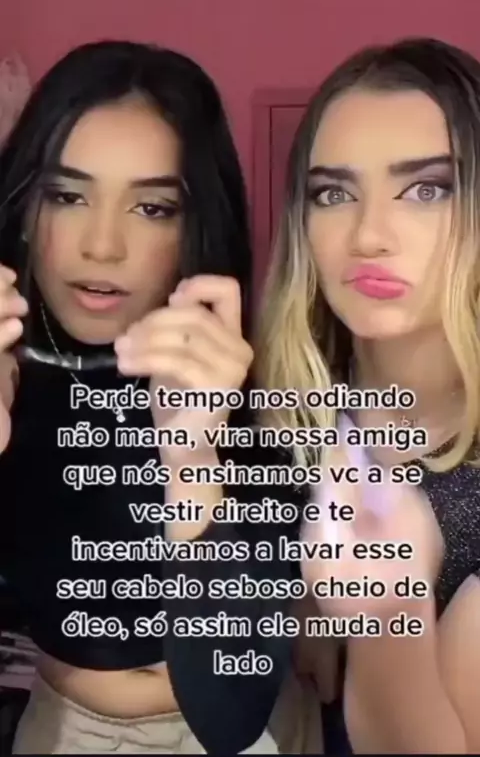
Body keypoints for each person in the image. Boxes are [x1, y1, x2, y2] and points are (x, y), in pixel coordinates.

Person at [0, 40, 301, 754]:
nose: (102, 246)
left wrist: (193, 462)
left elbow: (232, 710)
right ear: (24, 207)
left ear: (196, 224)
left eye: (152, 207)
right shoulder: (15, 375)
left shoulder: (249, 390)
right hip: (62, 731)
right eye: (67, 195)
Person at [256, 37, 480, 753]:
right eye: (334, 193)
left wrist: (386, 621)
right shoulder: (275, 411)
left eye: (427, 189)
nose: (368, 235)